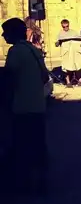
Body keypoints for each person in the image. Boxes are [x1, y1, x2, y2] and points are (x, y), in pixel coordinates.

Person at [1, 18, 49, 193]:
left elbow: (9, 78)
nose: (3, 36)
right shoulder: (33, 50)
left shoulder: (15, 51)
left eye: (5, 32)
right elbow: (45, 76)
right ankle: (42, 180)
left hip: (21, 106)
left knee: (22, 146)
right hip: (37, 105)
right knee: (38, 144)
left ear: (13, 33)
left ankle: (25, 183)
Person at [56, 19, 81, 87]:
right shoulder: (60, 33)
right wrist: (58, 42)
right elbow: (57, 44)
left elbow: (80, 39)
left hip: (75, 51)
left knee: (78, 63)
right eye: (64, 27)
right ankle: (68, 82)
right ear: (62, 26)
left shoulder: (73, 32)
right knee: (66, 66)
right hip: (66, 52)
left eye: (67, 26)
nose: (66, 28)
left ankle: (80, 80)